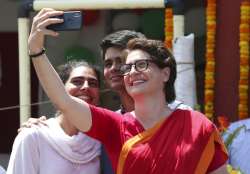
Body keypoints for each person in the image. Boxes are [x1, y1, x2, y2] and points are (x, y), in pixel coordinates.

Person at [27, 8, 228, 174]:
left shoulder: (198, 125)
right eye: (128, 67)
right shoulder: (115, 125)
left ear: (165, 73)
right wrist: (36, 50)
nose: (131, 72)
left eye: (141, 65)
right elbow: (64, 101)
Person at [7, 60, 102, 174]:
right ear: (58, 90)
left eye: (93, 83)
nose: (86, 87)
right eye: (77, 81)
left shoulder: (101, 142)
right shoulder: (33, 137)